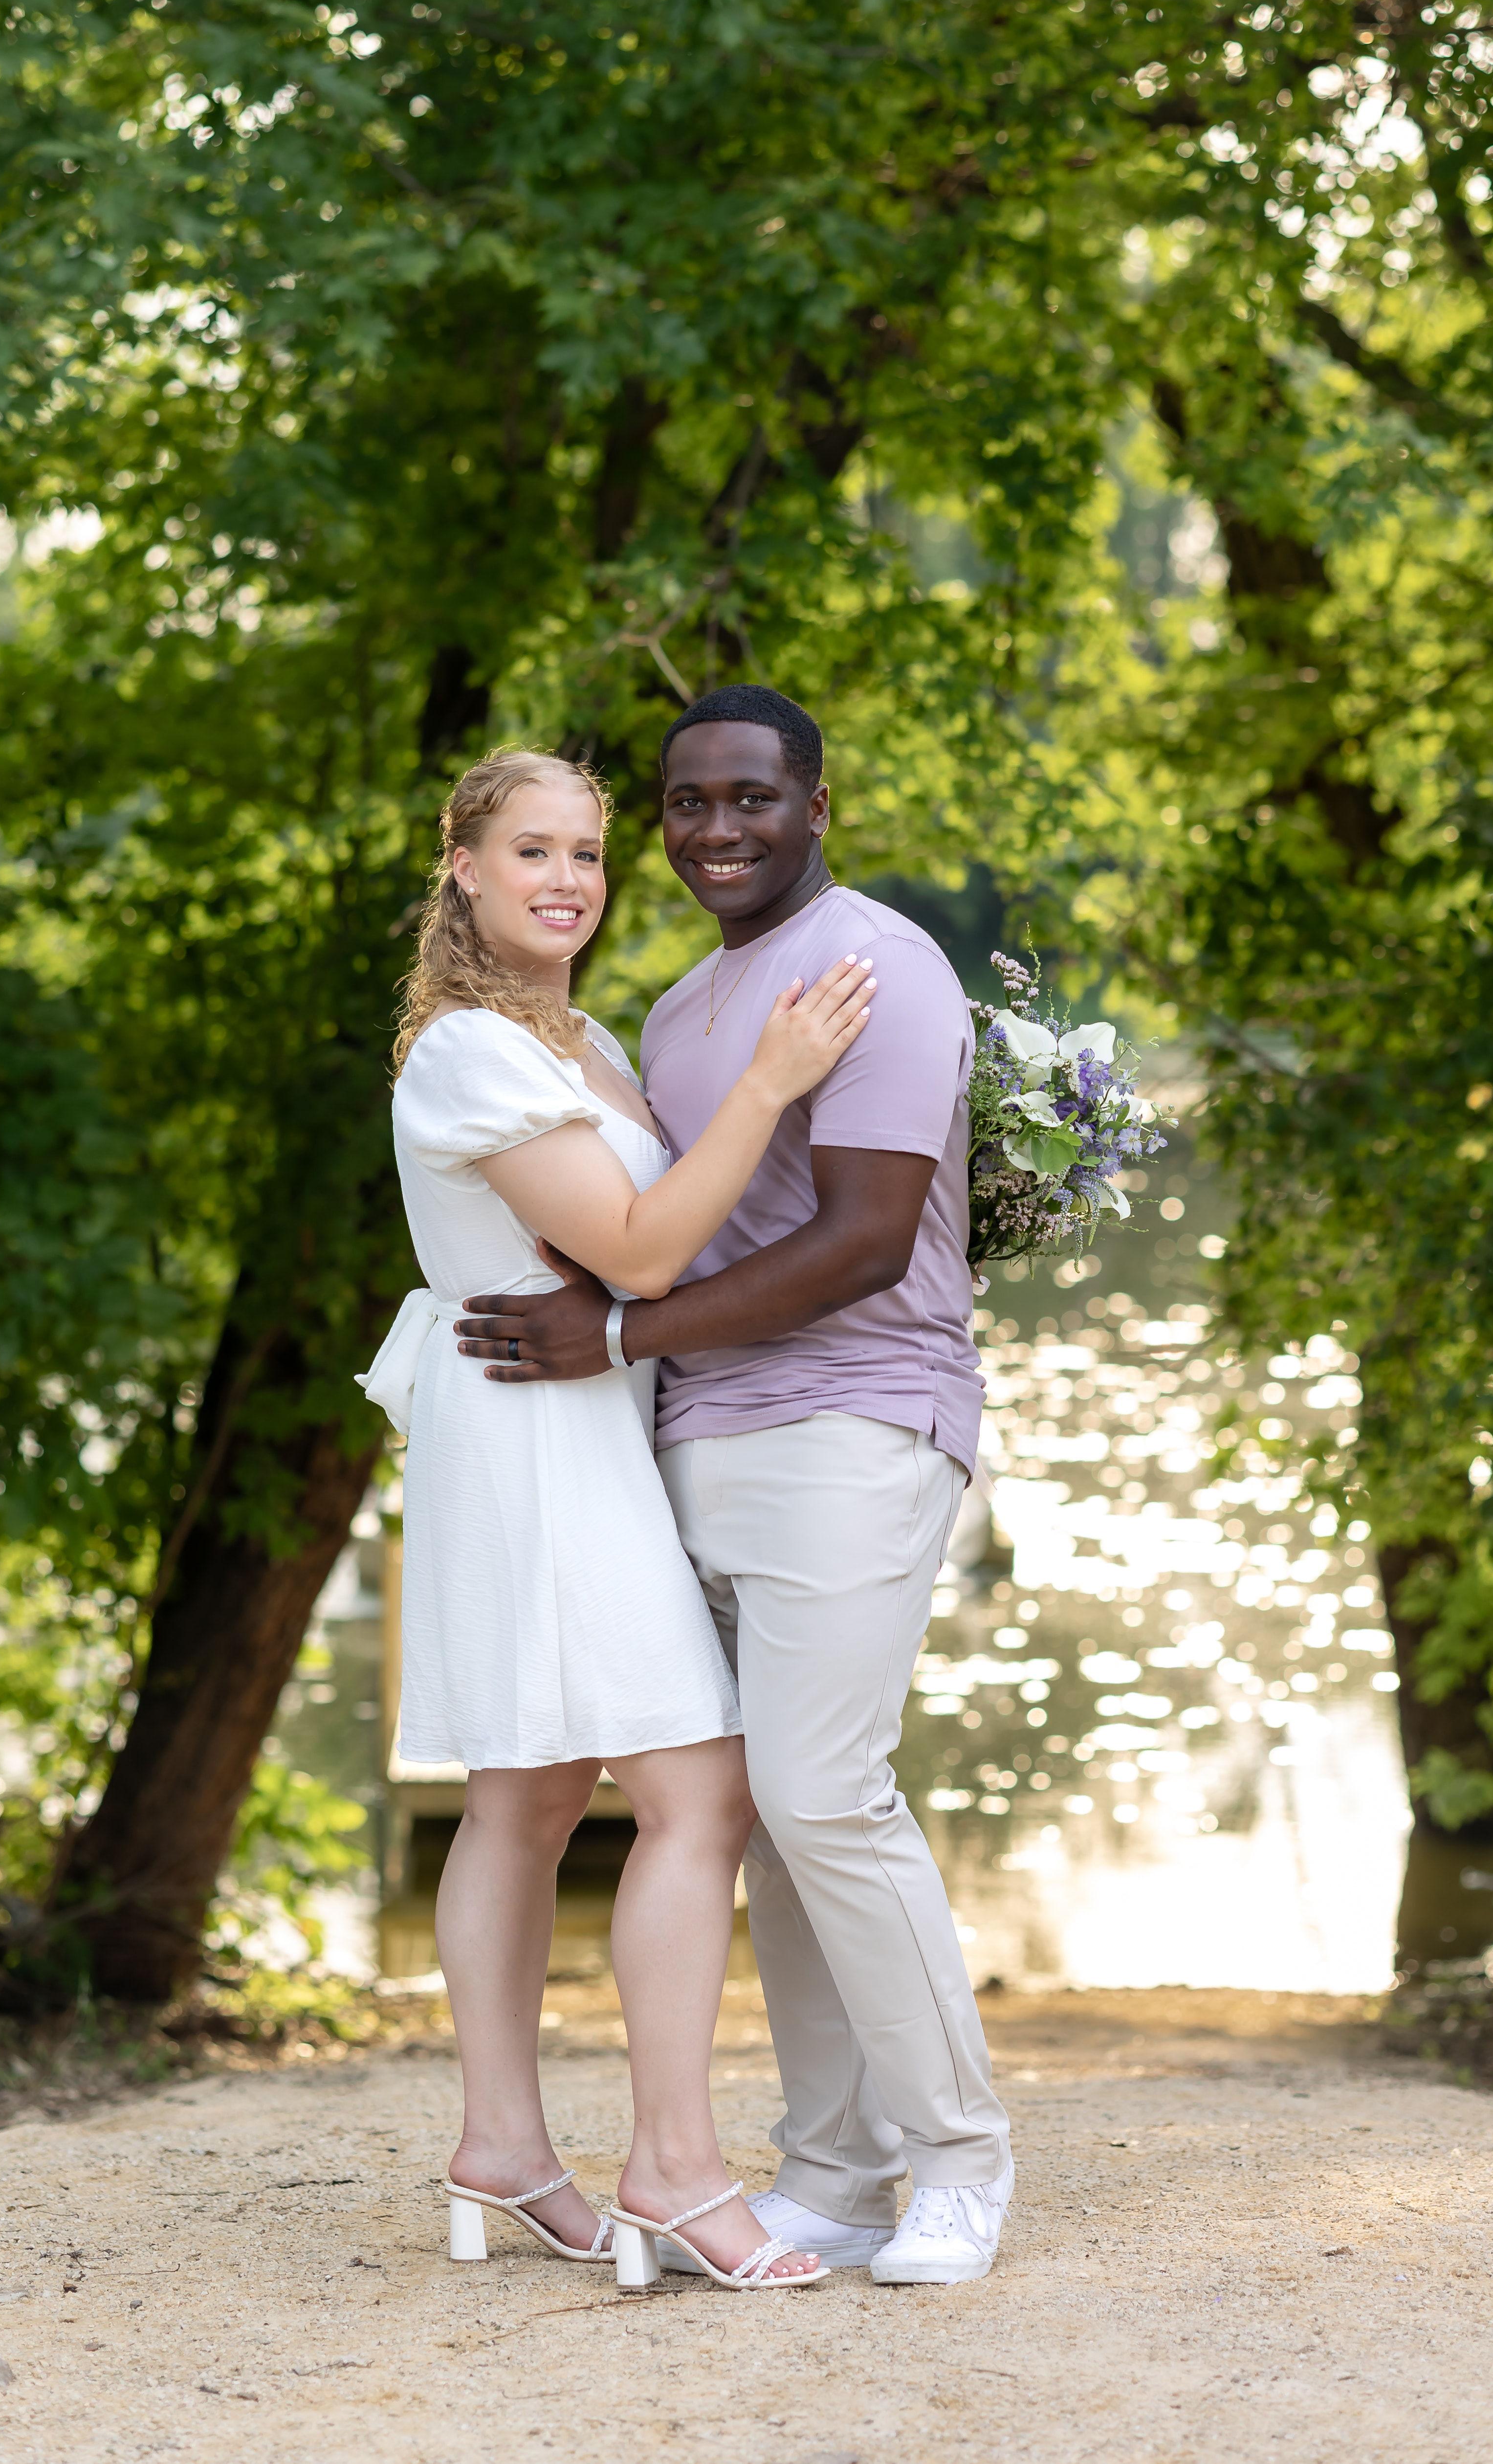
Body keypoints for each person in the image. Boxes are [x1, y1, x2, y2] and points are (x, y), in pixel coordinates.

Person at [452, 686, 1017, 2287]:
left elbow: (862, 1241)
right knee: (769, 1816)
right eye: (688, 802)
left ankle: (957, 2158)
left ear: (814, 806)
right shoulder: (685, 1008)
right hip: (694, 1433)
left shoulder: (874, 966)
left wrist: (621, 1332)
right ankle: (832, 2169)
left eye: (752, 797)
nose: (717, 828)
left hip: (855, 1416)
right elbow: (658, 1222)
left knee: (828, 1790)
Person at [361, 745, 878, 2293]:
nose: (567, 879)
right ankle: (675, 2167)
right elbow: (646, 1252)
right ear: (463, 866)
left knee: (528, 1794)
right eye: (531, 850)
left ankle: (504, 2147)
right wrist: (773, 1080)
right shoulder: (469, 1052)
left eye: (585, 851)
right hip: (534, 1433)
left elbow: (649, 1242)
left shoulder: (575, 1036)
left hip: (587, 1421)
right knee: (698, 1788)